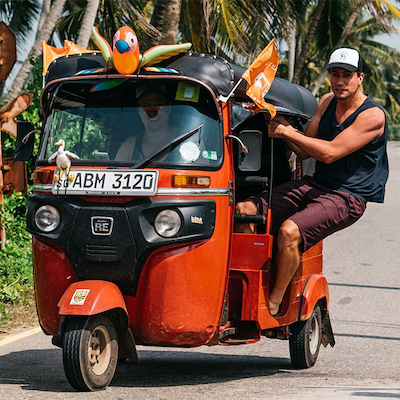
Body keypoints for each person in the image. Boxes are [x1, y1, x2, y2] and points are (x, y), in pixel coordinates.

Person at [235, 48, 388, 317]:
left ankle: (274, 305)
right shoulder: (327, 101)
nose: (340, 81)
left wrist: (286, 131)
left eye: (347, 75)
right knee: (244, 211)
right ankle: (257, 284)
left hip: (347, 196)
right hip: (316, 184)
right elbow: (304, 151)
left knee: (290, 231)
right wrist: (279, 124)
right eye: (335, 74)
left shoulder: (372, 116)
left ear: (360, 77)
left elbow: (329, 152)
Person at [115, 83, 175, 160]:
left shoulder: (187, 139)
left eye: (158, 104)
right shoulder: (129, 146)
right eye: (146, 105)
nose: (152, 111)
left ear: (169, 108)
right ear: (139, 111)